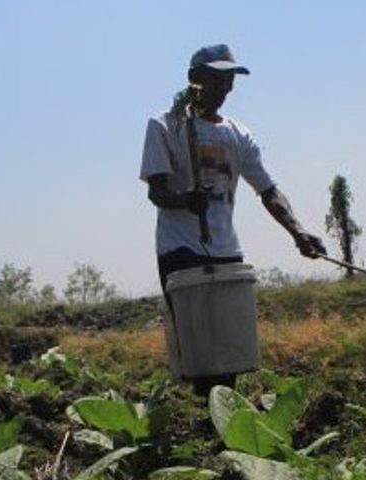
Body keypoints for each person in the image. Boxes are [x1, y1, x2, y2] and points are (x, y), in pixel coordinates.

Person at [140, 44, 327, 394]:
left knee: (228, 348)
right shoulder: (165, 126)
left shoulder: (238, 134)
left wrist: (298, 232)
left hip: (226, 249)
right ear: (195, 79)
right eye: (216, 78)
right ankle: (207, 414)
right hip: (181, 248)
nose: (224, 88)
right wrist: (185, 200)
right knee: (198, 349)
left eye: (229, 80)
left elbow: (268, 190)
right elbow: (157, 192)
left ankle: (221, 416)